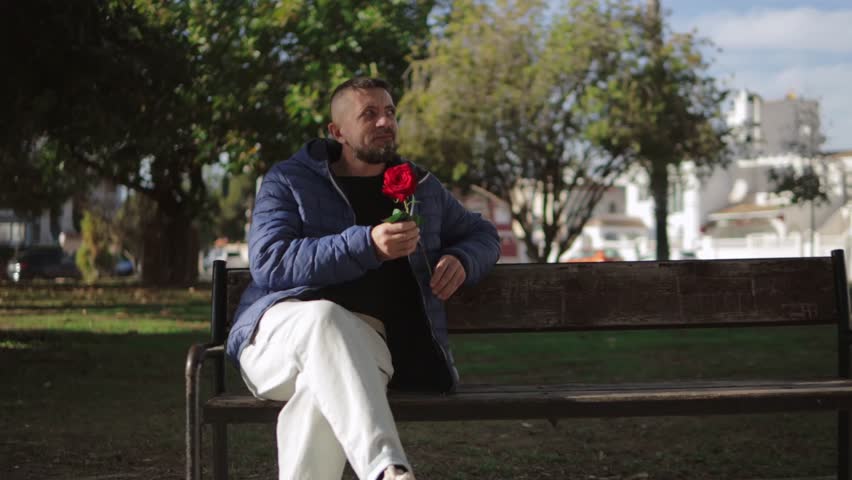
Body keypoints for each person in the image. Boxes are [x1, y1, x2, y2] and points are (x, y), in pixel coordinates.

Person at [226, 77, 501, 480]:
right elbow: (269, 262)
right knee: (324, 317)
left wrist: (463, 258)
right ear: (337, 131)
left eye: (389, 112)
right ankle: (386, 468)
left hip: (367, 345)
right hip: (278, 337)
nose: (384, 121)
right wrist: (366, 245)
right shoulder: (288, 181)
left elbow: (484, 234)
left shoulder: (420, 187)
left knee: (320, 397)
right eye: (369, 114)